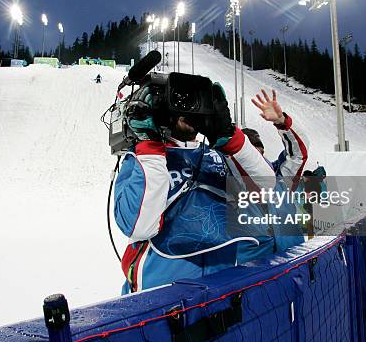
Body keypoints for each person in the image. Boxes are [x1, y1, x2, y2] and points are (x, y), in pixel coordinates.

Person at [114, 84, 301, 293]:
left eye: (194, 102)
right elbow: (140, 226)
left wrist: (228, 135)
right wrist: (149, 144)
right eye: (177, 103)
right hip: (158, 300)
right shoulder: (141, 159)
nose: (188, 110)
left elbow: (268, 184)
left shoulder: (218, 155)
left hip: (220, 295)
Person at [236, 107, 309, 264]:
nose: (254, 159)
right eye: (248, 153)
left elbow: (299, 154)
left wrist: (282, 121)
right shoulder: (231, 183)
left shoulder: (281, 178)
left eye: (257, 152)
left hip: (293, 265)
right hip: (250, 275)